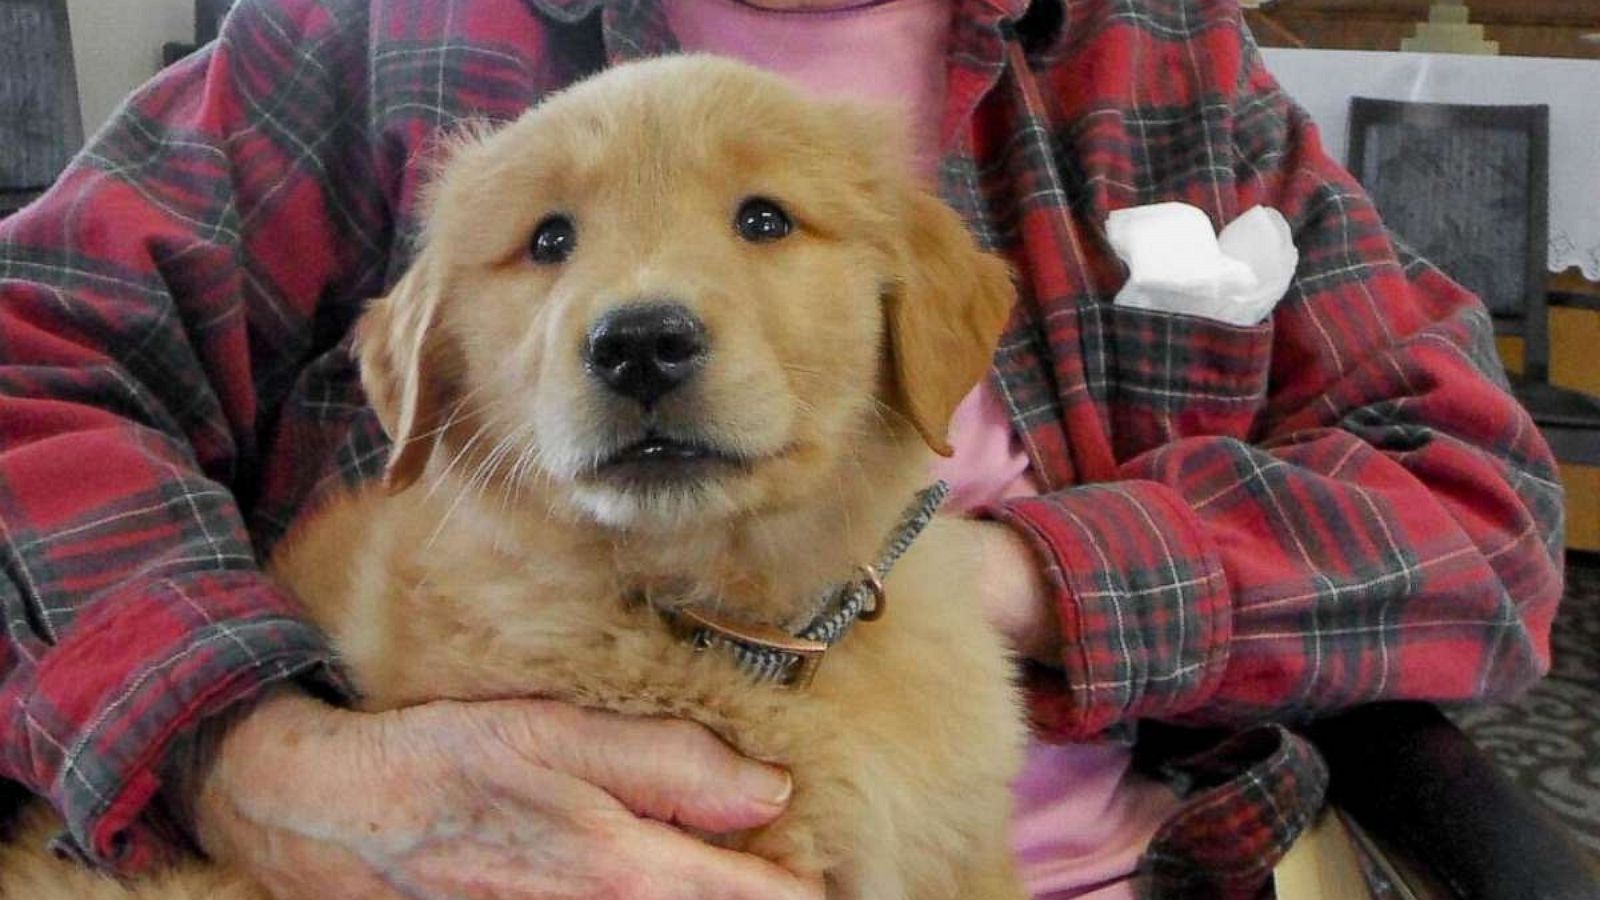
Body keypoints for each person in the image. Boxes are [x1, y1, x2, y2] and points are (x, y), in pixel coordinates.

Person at [0, 0, 1563, 897]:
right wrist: (247, 753)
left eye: (764, 220)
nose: (650, 308)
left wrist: (1021, 577)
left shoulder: (1165, 65)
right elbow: (33, 356)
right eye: (551, 240)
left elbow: (1480, 517)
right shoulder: (383, 26)